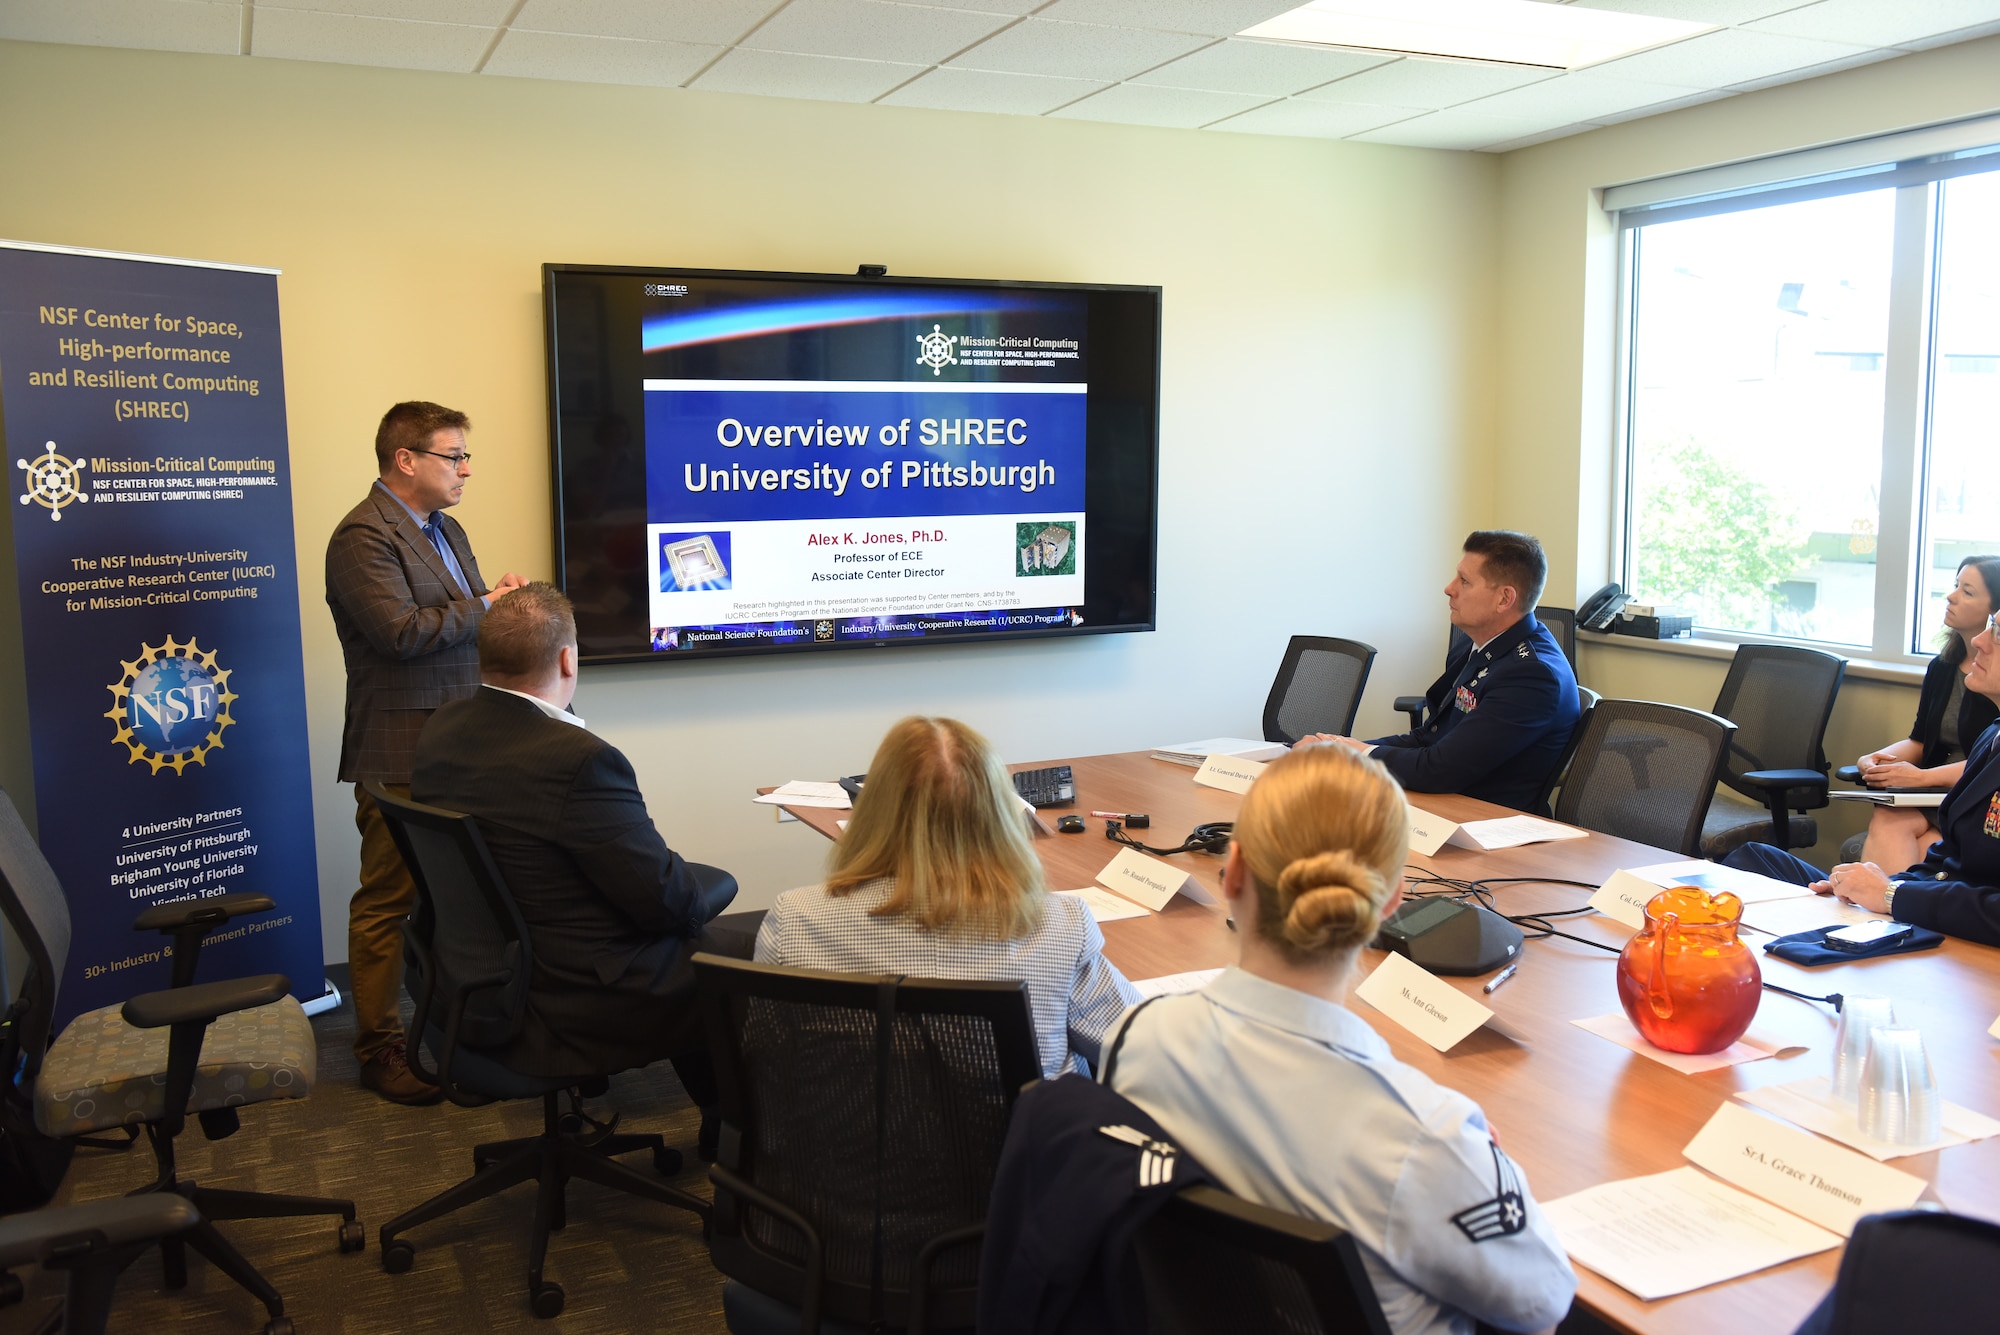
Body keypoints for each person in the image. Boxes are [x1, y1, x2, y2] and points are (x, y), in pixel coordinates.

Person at [1101, 744, 1576, 1335]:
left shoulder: (1134, 1038)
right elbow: (1542, 1302)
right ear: (1394, 899)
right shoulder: (1424, 1136)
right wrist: (1481, 1166)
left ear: (1234, 870)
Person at [411, 583, 759, 1113]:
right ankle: (744, 1142)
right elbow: (668, 901)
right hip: (563, 1002)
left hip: (469, 983)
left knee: (696, 937)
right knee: (739, 955)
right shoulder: (578, 759)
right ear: (568, 658)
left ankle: (729, 1129)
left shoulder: (444, 727)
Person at [326, 400, 526, 1103]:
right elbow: (399, 634)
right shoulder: (361, 536)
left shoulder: (448, 527)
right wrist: (488, 605)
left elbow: (465, 618)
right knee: (389, 899)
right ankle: (378, 1046)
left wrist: (496, 603)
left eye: (467, 455)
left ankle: (450, 1029)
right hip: (400, 749)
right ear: (406, 460)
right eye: (454, 455)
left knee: (459, 897)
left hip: (461, 740)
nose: (467, 468)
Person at [755, 716, 1139, 1077]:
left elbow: (766, 1057)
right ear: (1000, 813)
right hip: (1019, 1145)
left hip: (845, 1143)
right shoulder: (1058, 923)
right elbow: (1138, 1049)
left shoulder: (794, 918)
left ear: (871, 808)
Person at [1726, 610, 2000, 948]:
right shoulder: (1993, 735)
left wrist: (1891, 896)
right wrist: (1869, 884)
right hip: (1920, 907)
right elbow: (1944, 863)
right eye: (1990, 625)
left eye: (1998, 633)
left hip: (1955, 939)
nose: (1979, 641)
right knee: (1752, 858)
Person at [1300, 530, 1580, 812]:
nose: (1449, 588)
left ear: (1504, 599)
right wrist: (1337, 746)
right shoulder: (1474, 646)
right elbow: (1430, 736)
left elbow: (1439, 768)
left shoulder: (1532, 676)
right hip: (1449, 803)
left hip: (1487, 824)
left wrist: (1350, 755)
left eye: (1465, 581)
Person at [1849, 555, 2000, 868]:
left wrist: (1920, 777)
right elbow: (1919, 740)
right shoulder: (1943, 667)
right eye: (1956, 585)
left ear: (1994, 611)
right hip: (1933, 793)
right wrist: (1876, 759)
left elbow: (1987, 764)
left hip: (1971, 800)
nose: (1951, 596)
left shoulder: (1993, 681)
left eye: (1967, 591)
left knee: (1923, 848)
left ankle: (1884, 904)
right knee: (1891, 818)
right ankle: (1886, 905)